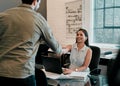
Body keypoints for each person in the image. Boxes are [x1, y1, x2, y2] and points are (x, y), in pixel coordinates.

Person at [0, 0, 62, 86]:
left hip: (2, 74)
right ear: (35, 1)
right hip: (23, 75)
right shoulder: (38, 19)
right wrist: (61, 49)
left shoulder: (3, 16)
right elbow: (56, 48)